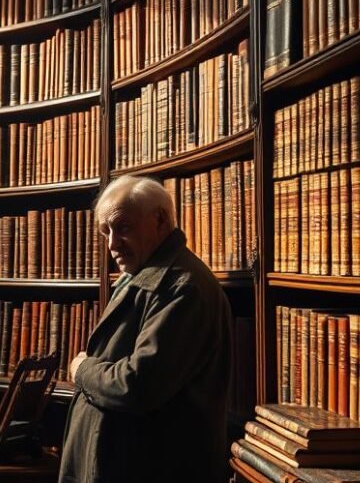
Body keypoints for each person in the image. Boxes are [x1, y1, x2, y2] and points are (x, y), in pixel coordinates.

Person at [59, 174, 235, 483]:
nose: (112, 244)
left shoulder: (184, 287)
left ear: (161, 220)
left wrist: (82, 369)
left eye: (123, 227)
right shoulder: (142, 274)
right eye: (105, 231)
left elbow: (137, 385)